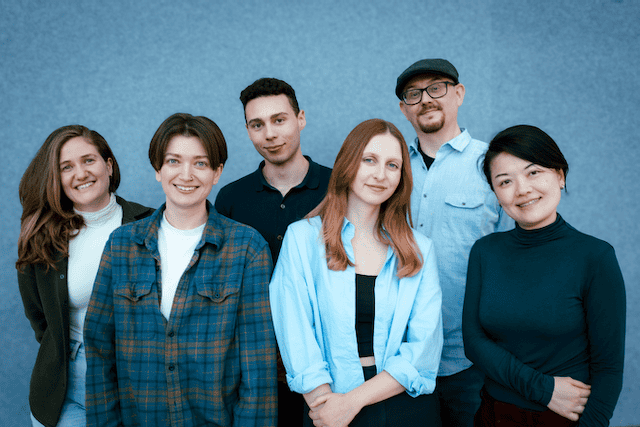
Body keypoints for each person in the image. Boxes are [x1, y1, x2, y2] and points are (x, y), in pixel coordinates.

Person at [84, 113, 277, 426]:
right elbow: (100, 351)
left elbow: (257, 367)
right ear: (158, 170)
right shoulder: (121, 245)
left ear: (217, 172)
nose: (186, 175)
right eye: (174, 161)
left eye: (200, 163)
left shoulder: (247, 248)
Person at [270, 119, 443, 427]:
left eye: (393, 165)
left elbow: (423, 350)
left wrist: (353, 402)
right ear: (348, 164)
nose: (380, 175)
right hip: (325, 405)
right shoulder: (302, 239)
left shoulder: (420, 250)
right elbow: (295, 332)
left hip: (402, 406)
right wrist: (328, 407)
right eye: (369, 160)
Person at [463, 124, 626, 426]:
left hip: (562, 420)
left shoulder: (595, 257)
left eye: (533, 172)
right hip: (491, 414)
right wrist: (544, 389)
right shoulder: (485, 251)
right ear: (496, 194)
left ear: (560, 176)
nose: (522, 189)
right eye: (505, 181)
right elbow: (473, 341)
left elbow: (609, 368)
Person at [395, 58, 513, 426]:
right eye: (414, 94)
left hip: (471, 359)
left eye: (437, 88)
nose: (426, 99)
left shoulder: (493, 164)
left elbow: (514, 258)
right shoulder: (388, 168)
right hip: (399, 358)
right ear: (404, 109)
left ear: (458, 94)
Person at [16, 125, 154, 427]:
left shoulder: (151, 226)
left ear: (108, 165)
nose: (81, 173)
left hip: (139, 381)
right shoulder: (43, 239)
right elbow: (40, 317)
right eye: (66, 167)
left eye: (89, 160)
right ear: (57, 178)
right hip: (68, 384)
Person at [215, 77, 331, 425]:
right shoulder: (230, 199)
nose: (269, 133)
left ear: (301, 118)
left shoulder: (338, 188)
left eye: (279, 120)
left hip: (325, 359)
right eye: (257, 124)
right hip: (254, 363)